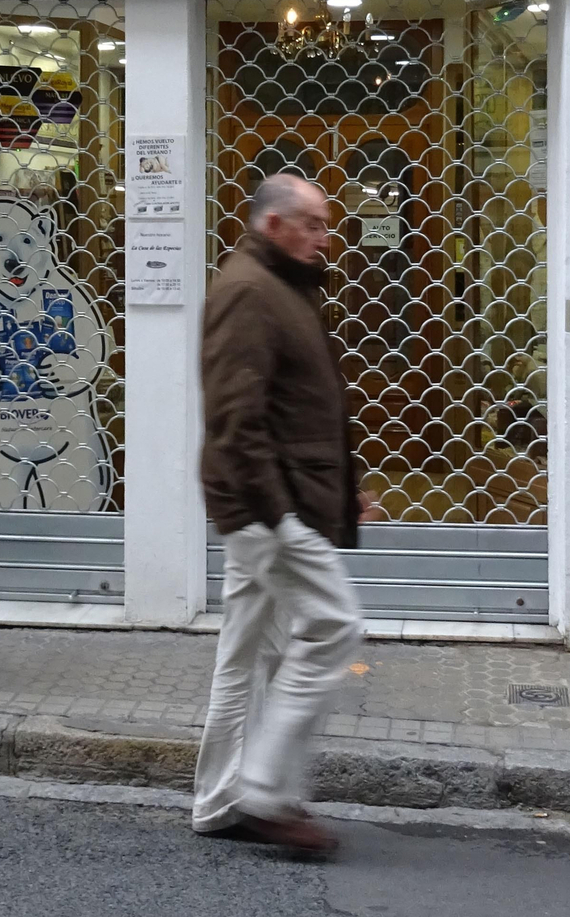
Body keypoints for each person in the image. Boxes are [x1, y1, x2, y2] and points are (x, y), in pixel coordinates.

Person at [193, 174, 370, 855]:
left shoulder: (282, 285)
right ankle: (265, 793)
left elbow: (300, 405)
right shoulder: (249, 290)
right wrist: (273, 515)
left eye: (327, 224)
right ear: (274, 225)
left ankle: (219, 801)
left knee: (248, 652)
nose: (327, 237)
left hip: (273, 499)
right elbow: (235, 417)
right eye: (315, 223)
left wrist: (345, 487)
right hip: (268, 506)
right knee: (334, 625)